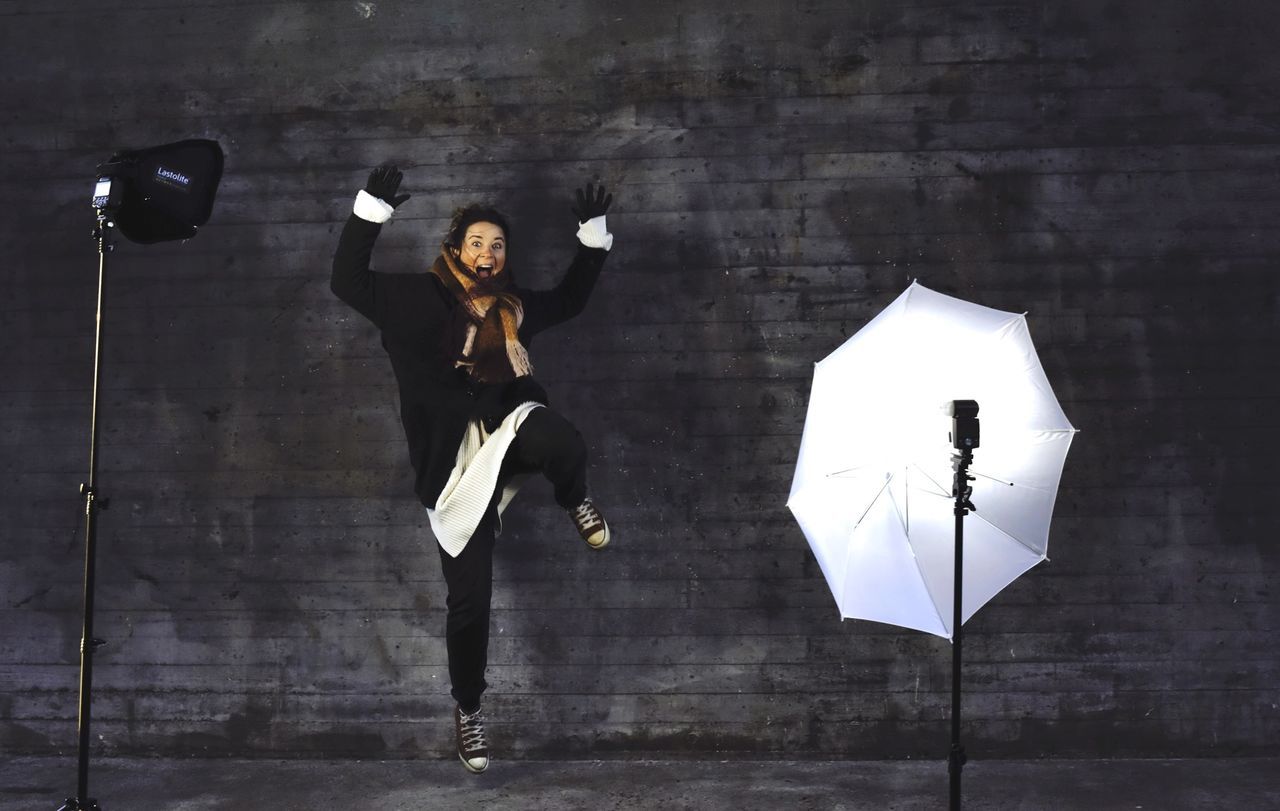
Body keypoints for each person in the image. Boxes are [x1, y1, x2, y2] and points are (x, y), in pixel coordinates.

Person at [330, 166, 615, 773]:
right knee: (470, 604)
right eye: (478, 242)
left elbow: (569, 299)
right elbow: (346, 282)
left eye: (498, 244)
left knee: (561, 439)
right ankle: (468, 712)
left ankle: (575, 500)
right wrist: (369, 213)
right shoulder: (412, 298)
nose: (488, 253)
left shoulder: (514, 307)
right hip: (451, 469)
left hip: (506, 432)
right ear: (457, 248)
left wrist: (592, 239)